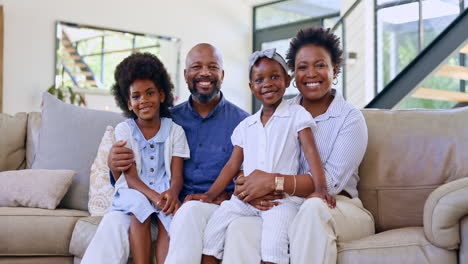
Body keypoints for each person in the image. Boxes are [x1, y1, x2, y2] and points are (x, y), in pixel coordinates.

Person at [229, 26, 375, 263]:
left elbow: (329, 184)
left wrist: (271, 181)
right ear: (293, 76)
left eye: (320, 65)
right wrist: (246, 188)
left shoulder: (350, 118)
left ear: (334, 70)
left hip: (339, 207)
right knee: (240, 228)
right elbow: (256, 158)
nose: (311, 74)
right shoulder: (279, 112)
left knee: (314, 208)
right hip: (287, 204)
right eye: (302, 67)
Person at [106, 43, 249, 264]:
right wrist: (114, 164)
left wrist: (225, 197)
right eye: (196, 67)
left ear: (222, 74)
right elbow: (131, 175)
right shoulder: (167, 121)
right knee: (116, 223)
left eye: (212, 66)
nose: (204, 73)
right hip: (171, 204)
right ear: (185, 75)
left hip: (219, 205)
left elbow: (248, 174)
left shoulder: (243, 123)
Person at [199, 48, 335, 264]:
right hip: (246, 199)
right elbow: (232, 165)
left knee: (273, 247)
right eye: (259, 79)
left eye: (274, 76)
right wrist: (209, 195)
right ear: (252, 87)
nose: (268, 83)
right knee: (213, 229)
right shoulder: (246, 126)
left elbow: (311, 153)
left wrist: (320, 189)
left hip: (281, 202)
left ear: (287, 80)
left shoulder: (297, 115)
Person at [81, 53, 190, 264]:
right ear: (129, 103)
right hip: (134, 190)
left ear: (161, 95)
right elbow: (130, 178)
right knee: (139, 207)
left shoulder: (175, 131)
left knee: (172, 218)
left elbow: (177, 175)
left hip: (163, 188)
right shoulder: (125, 130)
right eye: (136, 96)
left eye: (150, 93)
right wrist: (154, 197)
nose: (144, 101)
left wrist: (171, 194)